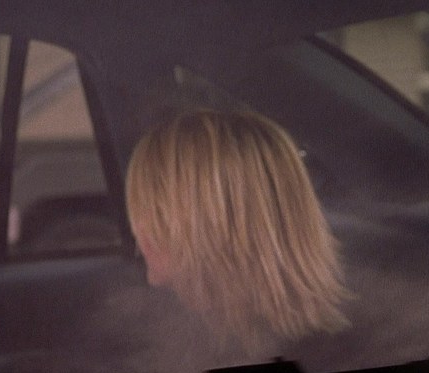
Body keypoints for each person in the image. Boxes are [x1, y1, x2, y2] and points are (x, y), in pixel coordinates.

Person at [125, 109, 350, 354]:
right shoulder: (350, 346)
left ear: (204, 227)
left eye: (149, 208)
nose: (138, 229)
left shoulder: (181, 354)